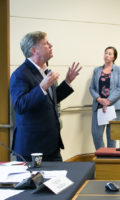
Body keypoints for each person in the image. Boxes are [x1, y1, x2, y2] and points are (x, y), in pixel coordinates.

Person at [10, 31, 81, 161]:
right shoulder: (19, 74)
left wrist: (67, 81)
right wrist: (41, 87)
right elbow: (20, 105)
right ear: (34, 50)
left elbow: (50, 101)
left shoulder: (44, 72)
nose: (51, 45)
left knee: (60, 181)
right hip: (32, 149)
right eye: (46, 43)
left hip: (51, 146)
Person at [89, 46, 120, 150]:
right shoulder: (97, 70)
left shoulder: (118, 70)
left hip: (114, 107)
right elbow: (91, 88)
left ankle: (111, 160)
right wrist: (99, 99)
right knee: (96, 134)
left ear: (114, 57)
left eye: (110, 53)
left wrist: (107, 101)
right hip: (98, 106)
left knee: (111, 137)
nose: (107, 55)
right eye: (105, 53)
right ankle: (102, 157)